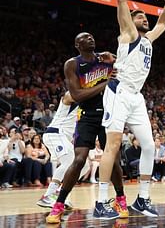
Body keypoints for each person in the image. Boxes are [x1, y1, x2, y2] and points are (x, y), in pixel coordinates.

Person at [93, 0, 165, 219]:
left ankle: (143, 198)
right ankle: (101, 201)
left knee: (149, 146)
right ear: (131, 20)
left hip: (136, 96)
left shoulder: (148, 39)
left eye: (144, 17)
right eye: (139, 16)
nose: (144, 19)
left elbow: (164, 22)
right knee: (113, 145)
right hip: (118, 92)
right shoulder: (128, 34)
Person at [46, 33, 126, 224]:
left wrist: (115, 60)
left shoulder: (104, 58)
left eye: (91, 36)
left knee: (113, 161)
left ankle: (120, 200)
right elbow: (78, 95)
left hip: (108, 114)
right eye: (85, 38)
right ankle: (58, 204)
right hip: (87, 115)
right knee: (79, 159)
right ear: (77, 45)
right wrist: (106, 82)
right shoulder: (72, 64)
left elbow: (123, 66)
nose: (90, 38)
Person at [38, 91, 85, 208]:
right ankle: (51, 195)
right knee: (71, 163)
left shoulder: (87, 104)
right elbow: (67, 97)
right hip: (56, 133)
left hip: (64, 138)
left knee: (84, 165)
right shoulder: (72, 95)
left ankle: (60, 196)